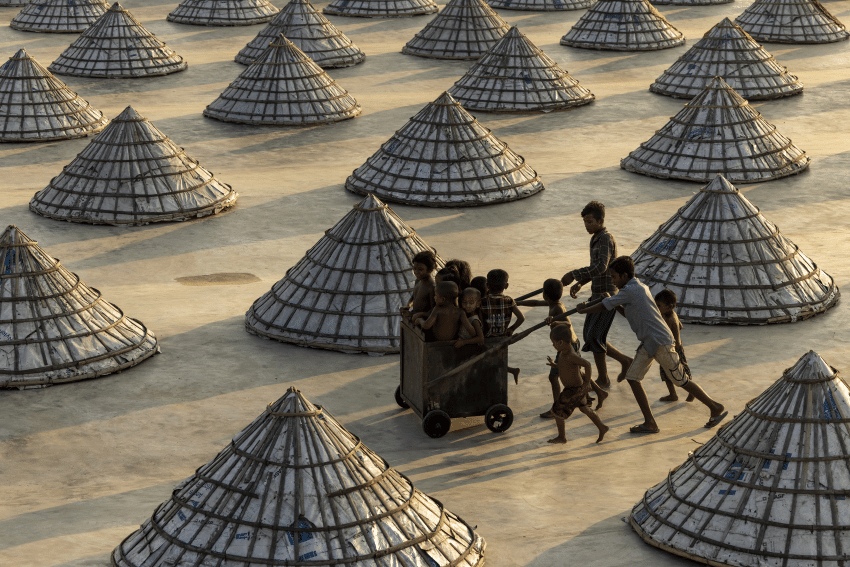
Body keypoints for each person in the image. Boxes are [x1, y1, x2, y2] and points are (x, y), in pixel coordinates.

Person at [577, 257, 727, 433]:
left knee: (681, 381)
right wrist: (612, 302)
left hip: (659, 342)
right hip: (650, 342)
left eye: (614, 276)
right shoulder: (637, 287)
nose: (612, 280)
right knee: (633, 378)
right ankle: (650, 422)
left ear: (625, 275)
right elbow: (628, 314)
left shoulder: (631, 290)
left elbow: (604, 306)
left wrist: (584, 309)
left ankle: (715, 407)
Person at [561, 201, 632, 390]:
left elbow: (602, 266)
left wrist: (574, 274)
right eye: (585, 222)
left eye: (590, 221)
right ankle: (624, 360)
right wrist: (581, 282)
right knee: (592, 336)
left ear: (601, 220)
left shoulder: (605, 239)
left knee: (594, 337)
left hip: (607, 295)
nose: (587, 225)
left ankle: (603, 379)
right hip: (597, 292)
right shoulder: (596, 238)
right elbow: (596, 269)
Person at [517, 279, 608, 415]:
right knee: (578, 371)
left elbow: (567, 324)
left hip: (568, 346)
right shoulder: (553, 303)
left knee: (553, 377)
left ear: (545, 295)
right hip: (570, 342)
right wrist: (518, 303)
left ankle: (555, 409)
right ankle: (600, 392)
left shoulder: (557, 307)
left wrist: (553, 320)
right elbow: (535, 303)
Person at [546, 324, 609, 445]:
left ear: (560, 342)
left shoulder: (571, 355)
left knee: (557, 411)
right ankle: (602, 427)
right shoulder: (563, 352)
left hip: (574, 390)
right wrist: (555, 365)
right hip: (575, 389)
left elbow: (587, 364)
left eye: (554, 343)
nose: (553, 345)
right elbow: (565, 366)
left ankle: (562, 437)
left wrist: (586, 384)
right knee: (585, 409)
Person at [480, 269, 523, 383]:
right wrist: (511, 329)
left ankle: (511, 371)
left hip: (486, 338)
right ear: (506, 286)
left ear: (487, 285)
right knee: (496, 360)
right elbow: (521, 318)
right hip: (502, 337)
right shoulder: (509, 300)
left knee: (488, 363)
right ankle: (512, 371)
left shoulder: (482, 301)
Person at [655, 289, 694, 403]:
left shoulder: (668, 319)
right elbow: (680, 326)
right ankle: (673, 394)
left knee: (680, 374)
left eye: (659, 305)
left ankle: (692, 391)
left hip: (673, 350)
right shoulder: (673, 315)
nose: (656, 308)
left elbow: (668, 337)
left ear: (669, 306)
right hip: (672, 349)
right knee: (667, 373)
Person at [403, 250, 436, 320]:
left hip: (423, 325)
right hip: (414, 321)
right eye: (414, 268)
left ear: (430, 269)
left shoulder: (432, 287)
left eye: (420, 269)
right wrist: (408, 306)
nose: (416, 272)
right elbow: (414, 297)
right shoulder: (418, 281)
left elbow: (434, 312)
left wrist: (419, 314)